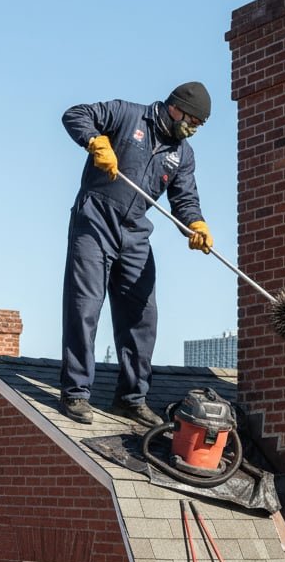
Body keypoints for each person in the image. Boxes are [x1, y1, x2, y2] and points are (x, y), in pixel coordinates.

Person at [59, 82, 213, 426]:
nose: (193, 129)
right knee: (84, 306)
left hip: (135, 231)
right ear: (176, 108)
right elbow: (76, 114)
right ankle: (76, 393)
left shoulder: (182, 154)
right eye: (193, 121)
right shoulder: (128, 114)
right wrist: (95, 140)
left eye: (199, 126)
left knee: (143, 315)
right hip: (95, 219)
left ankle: (131, 398)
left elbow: (184, 199)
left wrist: (196, 224)